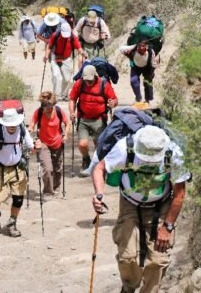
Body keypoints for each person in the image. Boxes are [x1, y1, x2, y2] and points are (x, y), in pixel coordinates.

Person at [91, 125, 191, 293]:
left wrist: (167, 227)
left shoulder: (173, 154)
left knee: (158, 261)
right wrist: (98, 194)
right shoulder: (125, 147)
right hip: (129, 203)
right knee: (127, 257)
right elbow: (100, 168)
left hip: (161, 205)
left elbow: (179, 194)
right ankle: (129, 287)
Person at [0, 108, 37, 237]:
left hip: (17, 167)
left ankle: (12, 224)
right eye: (9, 124)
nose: (12, 126)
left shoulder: (22, 130)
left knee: (18, 197)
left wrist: (37, 146)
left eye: (14, 123)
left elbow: (32, 148)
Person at [69, 64, 118, 174]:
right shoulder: (79, 84)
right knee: (83, 144)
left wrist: (112, 103)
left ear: (95, 76)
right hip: (83, 119)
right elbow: (72, 99)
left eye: (90, 80)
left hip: (99, 119)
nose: (88, 82)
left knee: (99, 144)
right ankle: (86, 159)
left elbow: (114, 100)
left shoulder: (104, 84)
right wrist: (72, 113)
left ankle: (97, 166)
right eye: (86, 80)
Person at [28, 91, 70, 196]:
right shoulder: (38, 112)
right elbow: (32, 124)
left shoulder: (59, 111)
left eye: (51, 107)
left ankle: (56, 186)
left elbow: (67, 123)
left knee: (57, 168)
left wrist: (66, 135)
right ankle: (47, 191)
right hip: (43, 143)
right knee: (47, 168)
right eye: (46, 108)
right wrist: (30, 130)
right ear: (42, 106)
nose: (49, 109)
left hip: (57, 143)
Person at [44, 22, 83, 101]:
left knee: (67, 78)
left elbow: (79, 48)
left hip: (67, 58)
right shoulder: (55, 35)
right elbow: (49, 46)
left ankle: (64, 95)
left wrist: (81, 53)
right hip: (55, 57)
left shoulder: (72, 37)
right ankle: (56, 95)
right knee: (56, 76)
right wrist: (46, 55)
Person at [119, 37, 158, 109]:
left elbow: (153, 62)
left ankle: (147, 100)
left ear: (146, 46)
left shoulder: (150, 51)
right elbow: (121, 48)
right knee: (133, 81)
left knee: (148, 83)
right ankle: (138, 97)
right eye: (139, 45)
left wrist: (152, 72)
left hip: (147, 67)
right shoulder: (134, 48)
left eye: (143, 46)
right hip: (136, 67)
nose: (141, 47)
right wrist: (132, 48)